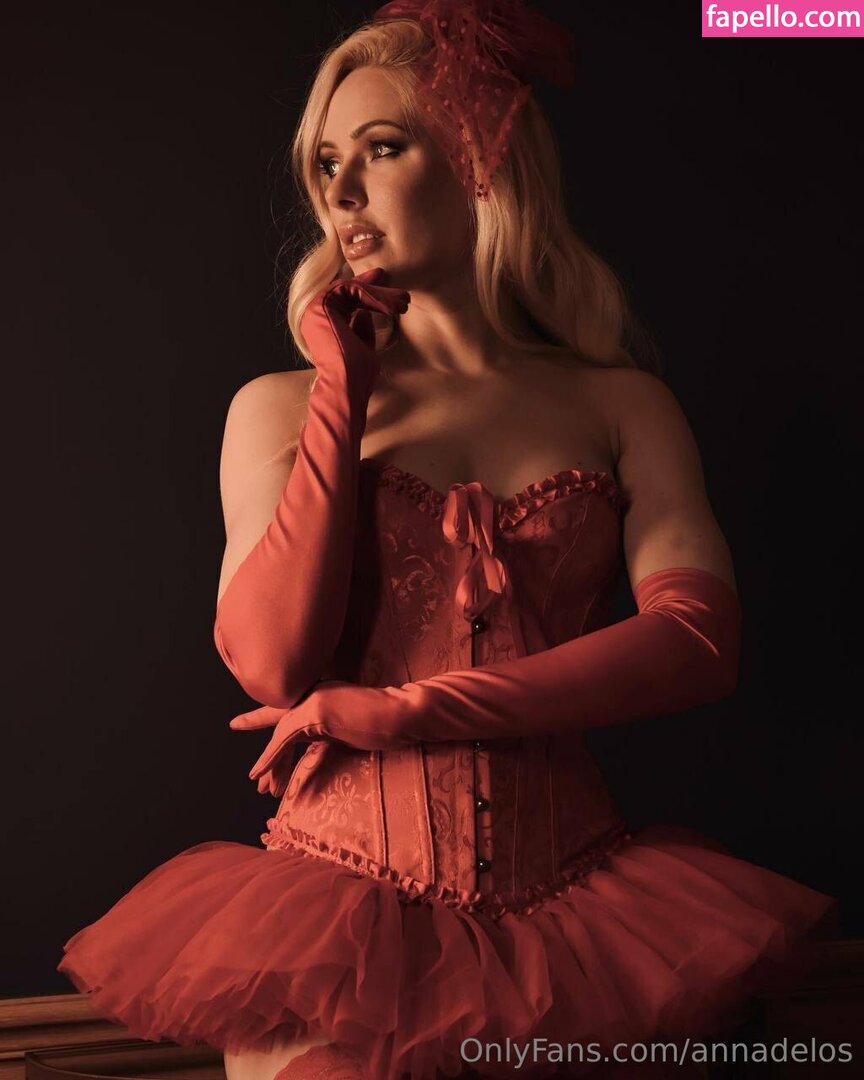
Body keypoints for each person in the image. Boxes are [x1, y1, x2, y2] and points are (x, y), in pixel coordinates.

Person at [57, 4, 838, 1080]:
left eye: (381, 148)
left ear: (482, 159)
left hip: (585, 922)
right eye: (326, 162)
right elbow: (271, 664)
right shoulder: (276, 406)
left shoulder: (622, 405)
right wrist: (341, 393)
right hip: (334, 927)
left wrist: (405, 710)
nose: (341, 191)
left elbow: (699, 643)